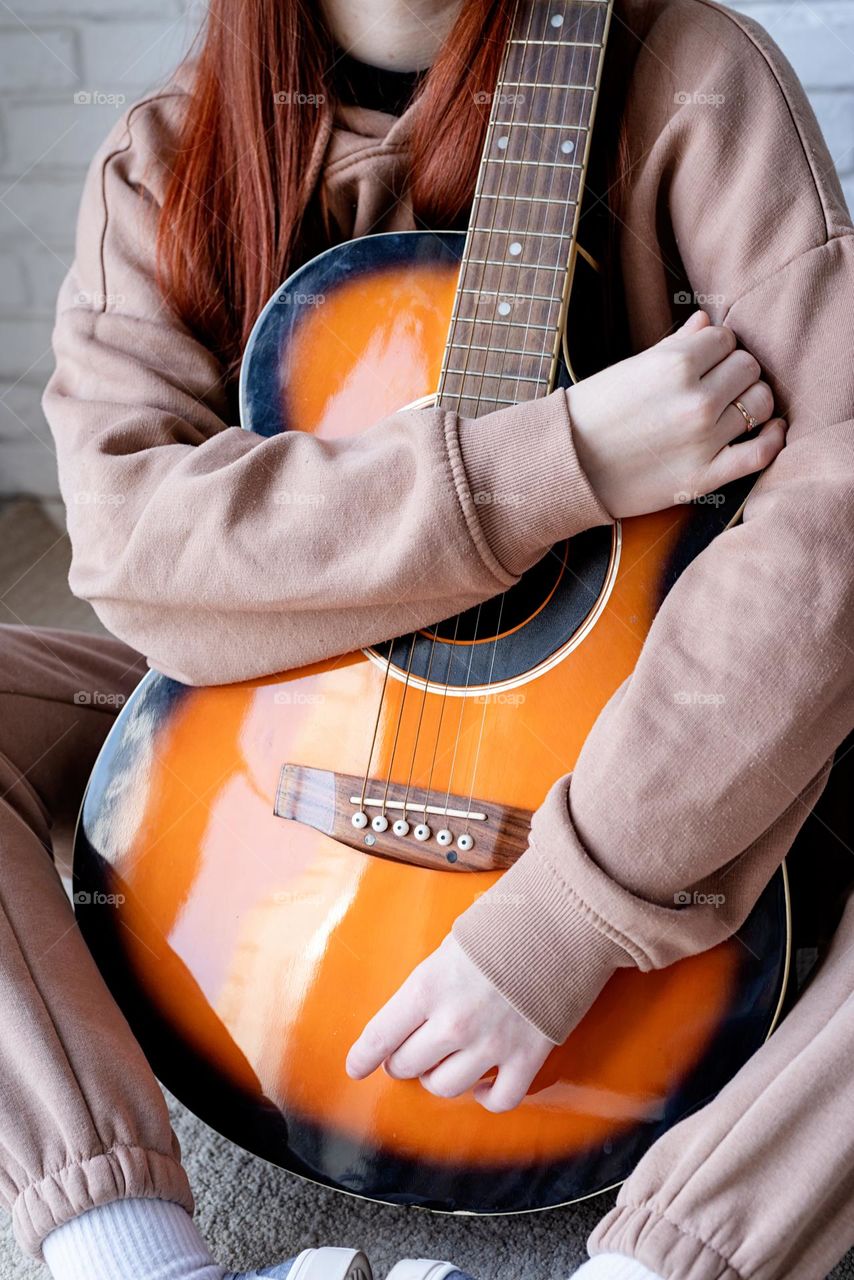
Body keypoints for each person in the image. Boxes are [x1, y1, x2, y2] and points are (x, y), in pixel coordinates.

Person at [2, 0, 852, 1277]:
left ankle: (663, 1261)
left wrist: (570, 911)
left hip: (659, 725)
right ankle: (128, 1249)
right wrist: (560, 461)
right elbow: (132, 551)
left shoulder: (693, 80)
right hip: (273, 701)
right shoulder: (172, 153)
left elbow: (829, 524)